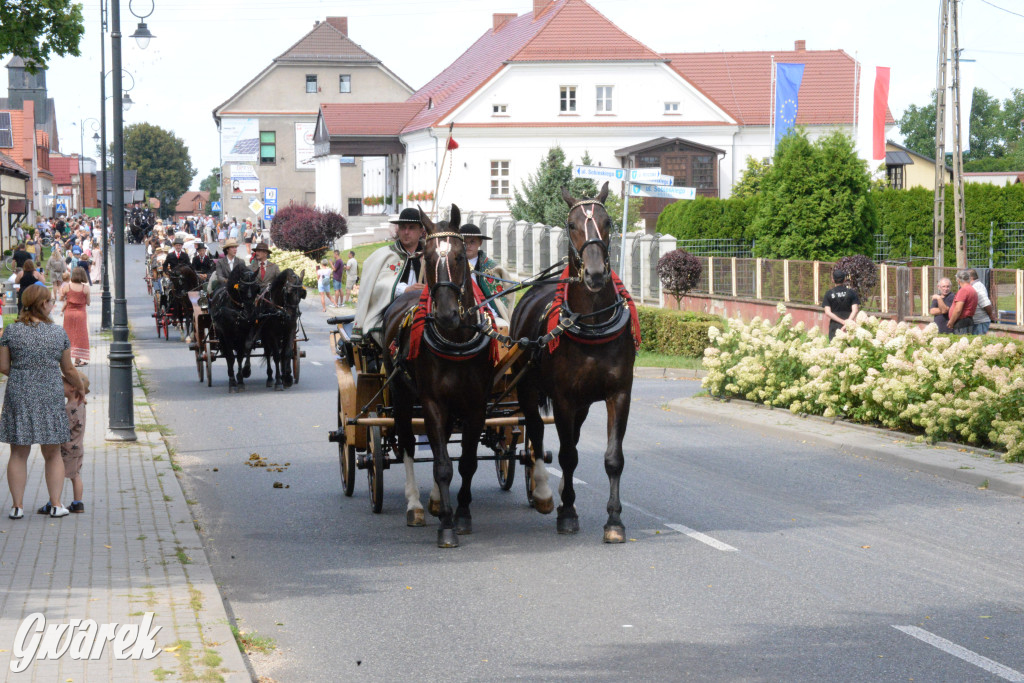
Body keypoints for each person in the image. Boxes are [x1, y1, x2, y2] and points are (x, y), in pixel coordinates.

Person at [0, 284, 86, 519]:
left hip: (19, 394)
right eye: (50, 301)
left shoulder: (11, 331)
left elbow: (4, 366)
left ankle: (17, 506)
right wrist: (79, 387)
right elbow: (68, 369)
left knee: (18, 453)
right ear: (42, 304)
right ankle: (56, 504)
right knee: (52, 453)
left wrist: (23, 376)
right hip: (49, 394)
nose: (52, 304)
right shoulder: (58, 333)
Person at [352, 208, 425, 346]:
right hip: (391, 308)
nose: (406, 232)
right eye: (402, 227)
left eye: (411, 228)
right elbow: (376, 285)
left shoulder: (430, 255)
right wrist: (405, 290)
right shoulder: (384, 255)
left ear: (421, 231)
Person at [39, 371, 90, 515]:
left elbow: (64, 428)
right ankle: (77, 503)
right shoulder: (81, 405)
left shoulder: (69, 409)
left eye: (62, 383)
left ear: (72, 388)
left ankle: (53, 502)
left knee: (57, 474)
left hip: (66, 448)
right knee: (75, 475)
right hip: (78, 447)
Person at [461, 224, 512, 321]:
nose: (468, 246)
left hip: (487, 311)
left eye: (472, 242)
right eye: (464, 242)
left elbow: (502, 299)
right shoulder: (451, 265)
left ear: (480, 243)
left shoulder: (492, 268)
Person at [821, 269, 860, 340]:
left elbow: (827, 312)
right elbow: (855, 310)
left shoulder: (828, 294)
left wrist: (842, 321)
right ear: (845, 279)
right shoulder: (851, 293)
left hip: (834, 326)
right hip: (849, 326)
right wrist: (847, 323)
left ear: (833, 280)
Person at [62, 267, 90, 366]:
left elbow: (62, 297)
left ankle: (66, 360)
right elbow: (88, 303)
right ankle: (77, 360)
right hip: (81, 314)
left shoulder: (67, 287)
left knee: (68, 334)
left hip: (69, 313)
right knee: (80, 335)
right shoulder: (85, 288)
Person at [947, 270, 979, 334]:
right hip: (968, 320)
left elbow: (958, 309)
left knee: (961, 342)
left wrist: (951, 321)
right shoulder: (972, 289)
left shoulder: (963, 290)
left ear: (958, 280)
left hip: (961, 322)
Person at [968, 269, 997, 335]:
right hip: (977, 322)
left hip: (980, 323)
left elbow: (986, 303)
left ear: (971, 277)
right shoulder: (974, 286)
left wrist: (990, 315)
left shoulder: (977, 287)